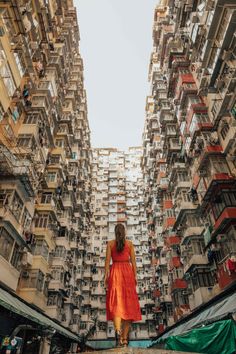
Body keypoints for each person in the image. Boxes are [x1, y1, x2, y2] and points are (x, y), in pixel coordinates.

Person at [104, 223, 142, 347]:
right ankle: (124, 338)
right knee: (128, 306)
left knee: (117, 303)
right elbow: (134, 262)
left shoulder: (110, 244)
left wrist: (106, 277)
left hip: (115, 272)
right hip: (127, 273)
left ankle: (118, 331)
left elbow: (107, 263)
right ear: (124, 232)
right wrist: (135, 276)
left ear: (115, 232)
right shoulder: (130, 244)